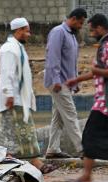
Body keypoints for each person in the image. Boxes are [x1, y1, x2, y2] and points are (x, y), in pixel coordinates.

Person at [0, 18, 58, 174]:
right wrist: (9, 94)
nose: (29, 34)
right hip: (13, 98)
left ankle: (15, 162)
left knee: (10, 134)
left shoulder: (17, 48)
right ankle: (36, 164)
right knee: (21, 132)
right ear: (18, 30)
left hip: (19, 98)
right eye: (27, 31)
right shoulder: (9, 49)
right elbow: (7, 74)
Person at [65, 14, 108, 182]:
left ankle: (86, 176)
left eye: (92, 29)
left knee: (89, 136)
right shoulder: (103, 45)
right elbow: (98, 70)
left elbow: (100, 71)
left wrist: (96, 71)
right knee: (91, 137)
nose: (91, 33)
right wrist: (77, 80)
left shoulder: (106, 45)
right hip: (103, 101)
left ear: (100, 27)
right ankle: (86, 176)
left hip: (105, 103)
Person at [44, 8, 87, 159]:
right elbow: (53, 58)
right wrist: (56, 80)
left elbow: (71, 63)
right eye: (80, 22)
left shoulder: (72, 36)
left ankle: (53, 149)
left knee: (59, 117)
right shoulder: (58, 32)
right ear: (74, 19)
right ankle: (83, 150)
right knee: (70, 114)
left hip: (65, 82)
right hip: (57, 82)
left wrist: (74, 82)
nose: (81, 26)